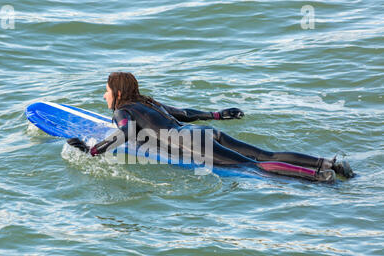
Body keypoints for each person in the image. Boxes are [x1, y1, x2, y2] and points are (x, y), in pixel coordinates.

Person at [67, 72, 354, 182]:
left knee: (251, 168)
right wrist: (217, 115)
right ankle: (328, 163)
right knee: (264, 155)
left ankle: (320, 178)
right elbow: (185, 113)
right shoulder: (148, 102)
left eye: (106, 90)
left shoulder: (122, 111)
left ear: (117, 93)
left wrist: (93, 150)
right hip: (203, 134)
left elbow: (126, 131)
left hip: (192, 145)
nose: (104, 96)